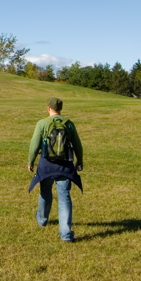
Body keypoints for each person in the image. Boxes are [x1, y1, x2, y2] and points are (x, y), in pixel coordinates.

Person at [27, 97, 83, 243]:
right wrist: (80, 161)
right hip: (65, 166)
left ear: (48, 108)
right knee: (64, 197)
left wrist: (30, 161)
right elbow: (77, 144)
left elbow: (34, 144)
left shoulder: (42, 123)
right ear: (61, 109)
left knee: (45, 193)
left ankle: (42, 219)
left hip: (46, 165)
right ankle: (66, 234)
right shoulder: (68, 124)